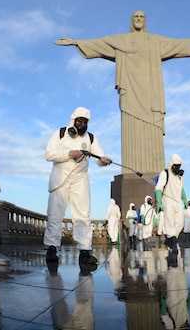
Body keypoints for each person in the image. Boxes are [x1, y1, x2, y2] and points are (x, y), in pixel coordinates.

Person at [54, 11, 190, 176]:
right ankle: (132, 168)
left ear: (145, 21)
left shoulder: (155, 41)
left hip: (151, 94)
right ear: (131, 21)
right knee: (131, 128)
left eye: (142, 17)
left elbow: (176, 45)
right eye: (136, 17)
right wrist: (76, 42)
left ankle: (154, 168)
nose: (139, 19)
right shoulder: (121, 41)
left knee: (152, 129)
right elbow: (101, 44)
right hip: (130, 94)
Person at [43, 107, 112, 267]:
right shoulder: (60, 133)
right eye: (79, 121)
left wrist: (103, 161)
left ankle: (85, 251)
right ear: (73, 121)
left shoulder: (91, 139)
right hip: (60, 178)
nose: (82, 125)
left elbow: (99, 158)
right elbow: (48, 154)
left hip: (80, 179)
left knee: (82, 215)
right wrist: (69, 154)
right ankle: (52, 249)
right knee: (55, 214)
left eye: (85, 122)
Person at [155, 154, 189, 260]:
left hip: (177, 200)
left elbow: (181, 188)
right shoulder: (165, 173)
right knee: (169, 222)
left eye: (179, 165)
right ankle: (172, 243)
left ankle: (170, 240)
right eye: (176, 165)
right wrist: (159, 202)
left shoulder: (180, 175)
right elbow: (159, 188)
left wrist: (184, 199)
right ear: (171, 165)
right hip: (167, 199)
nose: (178, 168)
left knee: (180, 223)